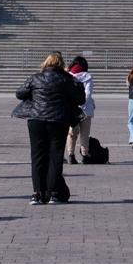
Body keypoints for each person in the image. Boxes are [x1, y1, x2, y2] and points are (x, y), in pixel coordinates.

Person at [15, 51, 82, 205]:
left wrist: (34, 96)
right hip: (58, 120)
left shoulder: (36, 78)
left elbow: (19, 93)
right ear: (61, 64)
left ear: (45, 63)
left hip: (36, 120)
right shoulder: (67, 79)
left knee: (37, 156)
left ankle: (37, 193)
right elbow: (80, 98)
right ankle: (54, 194)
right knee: (55, 156)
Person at [66, 56, 95, 162]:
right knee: (85, 133)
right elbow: (88, 93)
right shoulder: (88, 76)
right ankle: (85, 155)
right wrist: (82, 105)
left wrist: (75, 105)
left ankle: (71, 155)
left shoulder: (68, 76)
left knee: (72, 133)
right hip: (86, 109)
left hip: (72, 109)